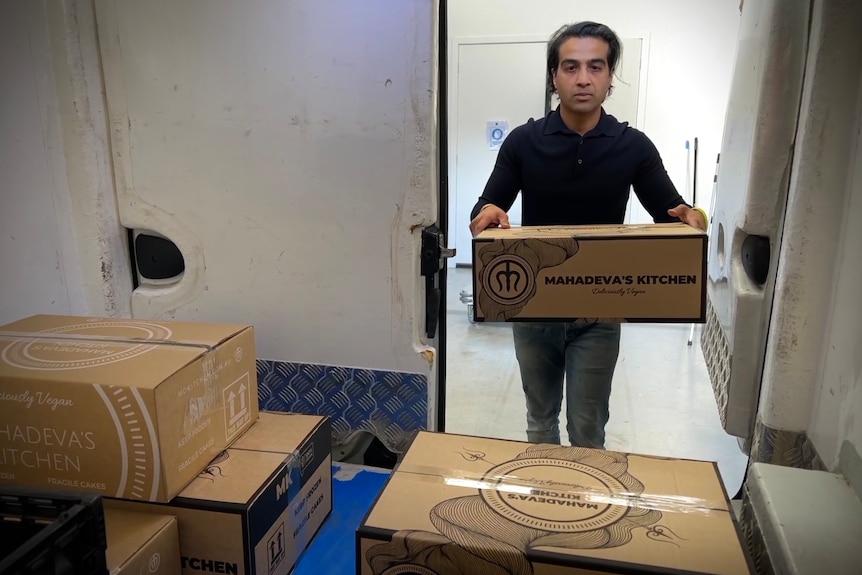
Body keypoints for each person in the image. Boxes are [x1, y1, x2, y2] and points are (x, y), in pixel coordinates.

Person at [468, 21, 708, 449]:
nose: (583, 78)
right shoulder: (524, 142)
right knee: (540, 424)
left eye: (595, 67)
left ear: (610, 76)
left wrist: (689, 216)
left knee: (587, 429)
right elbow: (486, 205)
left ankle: (582, 506)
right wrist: (487, 212)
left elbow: (670, 212)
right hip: (533, 305)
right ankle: (543, 502)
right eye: (571, 67)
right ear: (553, 76)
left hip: (599, 310)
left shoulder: (633, 146)